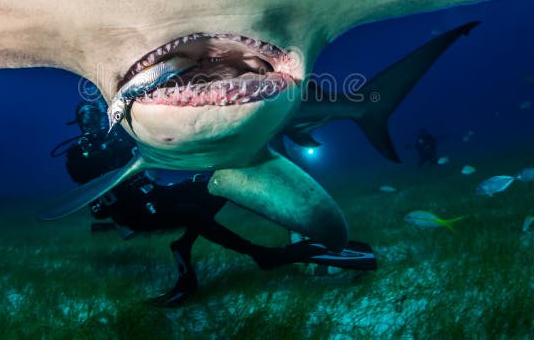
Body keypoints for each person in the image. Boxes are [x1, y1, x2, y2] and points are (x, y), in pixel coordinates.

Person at [54, 99, 377, 306]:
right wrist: (110, 147)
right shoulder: (76, 154)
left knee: (214, 183)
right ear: (78, 124)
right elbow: (85, 175)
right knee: (194, 213)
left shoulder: (123, 135)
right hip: (132, 210)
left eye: (96, 115)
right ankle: (264, 255)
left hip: (153, 194)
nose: (92, 122)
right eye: (85, 118)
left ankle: (183, 246)